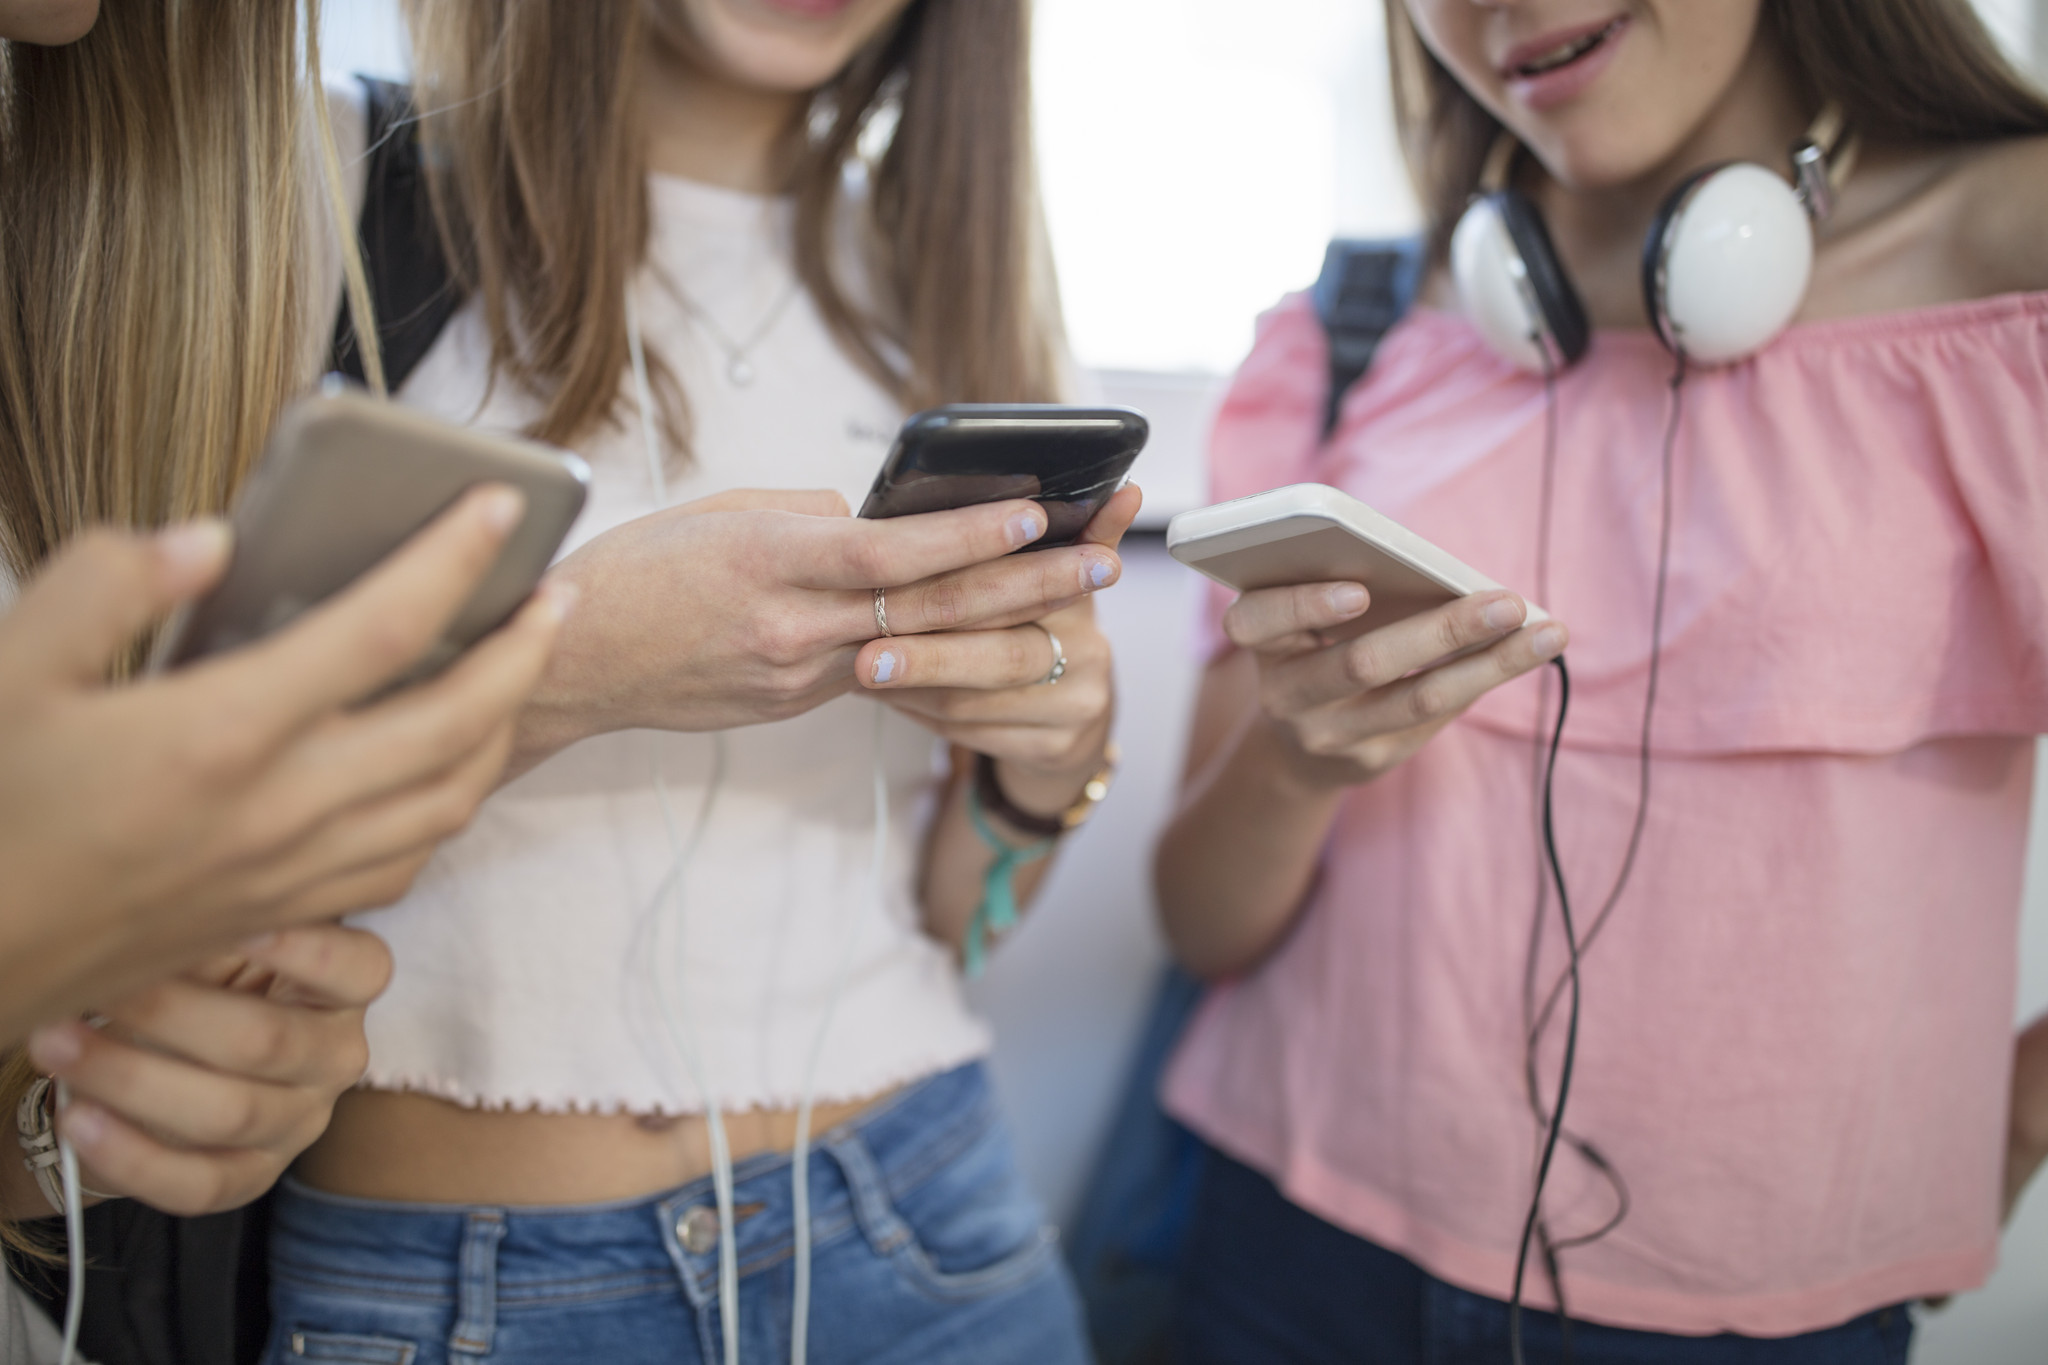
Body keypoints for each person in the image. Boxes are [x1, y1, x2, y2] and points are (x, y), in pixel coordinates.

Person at [1154, 0, 2048, 1361]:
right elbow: (1200, 924)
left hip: (1751, 1310)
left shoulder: (2016, 252)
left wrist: (2023, 1116)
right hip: (1286, 1240)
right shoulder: (1360, 328)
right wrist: (1300, 761)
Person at [267, 1, 1123, 1361]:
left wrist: (1051, 765)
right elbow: (161, 819)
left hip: (926, 1218)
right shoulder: (319, 188)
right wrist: (566, 670)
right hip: (462, 1276)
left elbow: (956, 924)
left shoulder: (952, 284)